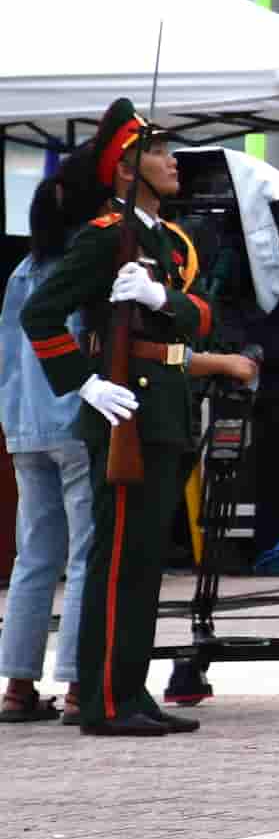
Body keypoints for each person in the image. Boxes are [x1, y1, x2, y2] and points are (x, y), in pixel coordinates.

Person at [18, 102, 257, 736]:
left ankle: (130, 690)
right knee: (117, 559)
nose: (172, 160)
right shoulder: (105, 234)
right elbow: (40, 313)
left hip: (165, 408)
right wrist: (86, 384)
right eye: (158, 152)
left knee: (147, 561)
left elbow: (202, 316)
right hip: (124, 409)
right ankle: (101, 701)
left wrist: (161, 296)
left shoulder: (159, 239)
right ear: (127, 168)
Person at [0, 175, 101, 723]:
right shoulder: (85, 266)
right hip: (74, 420)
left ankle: (17, 686)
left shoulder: (23, 269)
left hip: (23, 425)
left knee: (34, 558)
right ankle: (80, 686)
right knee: (86, 555)